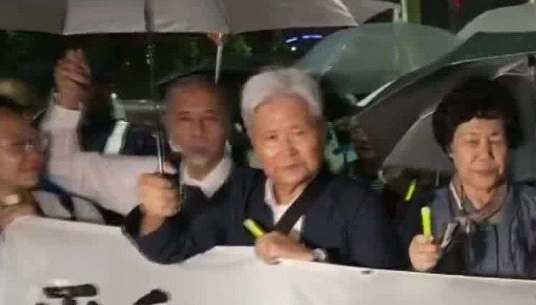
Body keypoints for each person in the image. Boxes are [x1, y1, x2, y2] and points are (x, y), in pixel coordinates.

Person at [126, 68, 400, 269]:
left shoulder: (358, 205)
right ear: (253, 141)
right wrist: (153, 212)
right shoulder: (239, 195)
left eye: (298, 133)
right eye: (271, 138)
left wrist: (313, 260)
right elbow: (166, 249)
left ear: (321, 132)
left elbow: (381, 292)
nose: (287, 150)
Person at [400, 78, 536, 282]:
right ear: (449, 148)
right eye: (472, 141)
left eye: (495, 140)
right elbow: (395, 299)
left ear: (510, 145)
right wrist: (417, 270)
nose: (485, 154)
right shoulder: (425, 210)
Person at [42, 49, 235, 218]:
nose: (197, 130)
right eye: (185, 119)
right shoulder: (153, 175)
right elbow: (61, 168)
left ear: (228, 123)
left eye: (210, 118)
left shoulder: (258, 186)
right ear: (167, 124)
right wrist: (68, 101)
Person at [0, 96, 103, 231]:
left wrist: (43, 228)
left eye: (36, 141)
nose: (35, 154)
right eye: (17, 146)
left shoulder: (74, 209)